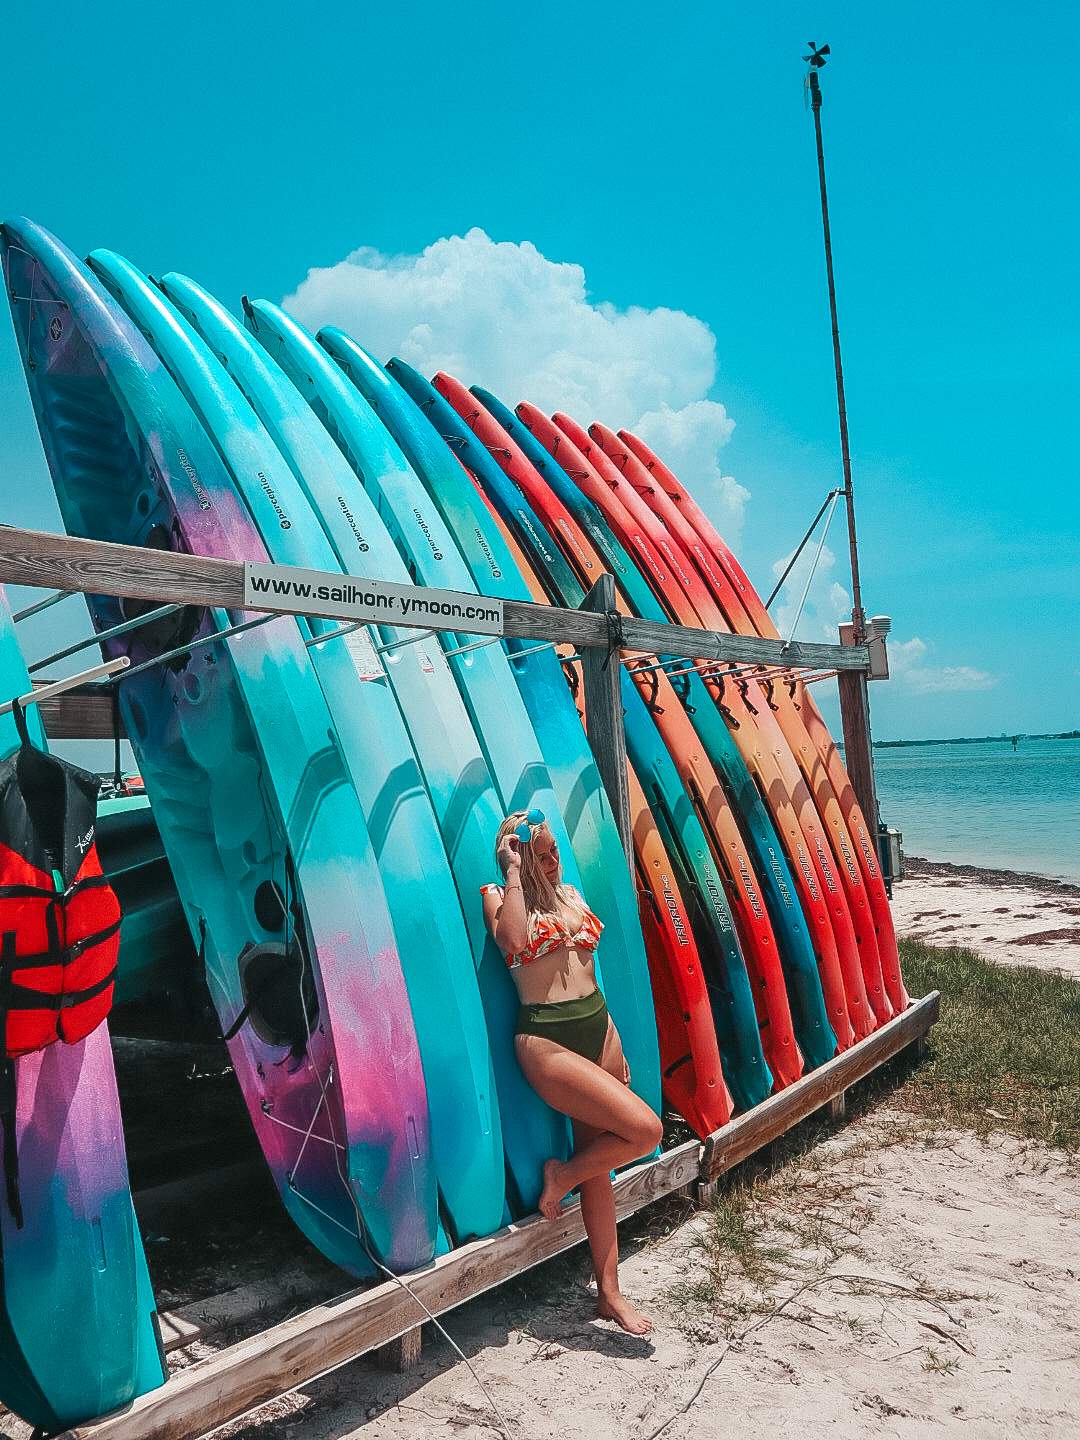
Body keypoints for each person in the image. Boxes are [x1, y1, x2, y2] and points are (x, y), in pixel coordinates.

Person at [482, 808, 663, 1336]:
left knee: (599, 1164)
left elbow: (588, 972)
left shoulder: (571, 894)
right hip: (546, 1040)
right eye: (542, 855)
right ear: (518, 858)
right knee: (646, 1131)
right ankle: (559, 1176)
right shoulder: (498, 894)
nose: (554, 860)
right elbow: (515, 942)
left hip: (598, 1031)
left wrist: (616, 1038)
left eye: (554, 850)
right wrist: (513, 871)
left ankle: (609, 1293)